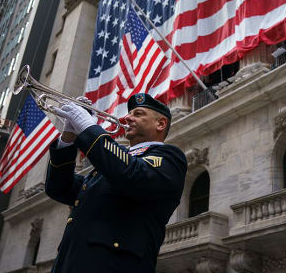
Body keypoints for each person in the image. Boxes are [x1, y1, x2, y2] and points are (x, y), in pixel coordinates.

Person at [45, 93, 187, 273]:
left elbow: (130, 174)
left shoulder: (169, 157)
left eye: (138, 114)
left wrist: (88, 127)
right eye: (129, 114)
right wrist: (68, 139)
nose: (127, 117)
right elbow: (58, 189)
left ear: (160, 123)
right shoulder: (109, 167)